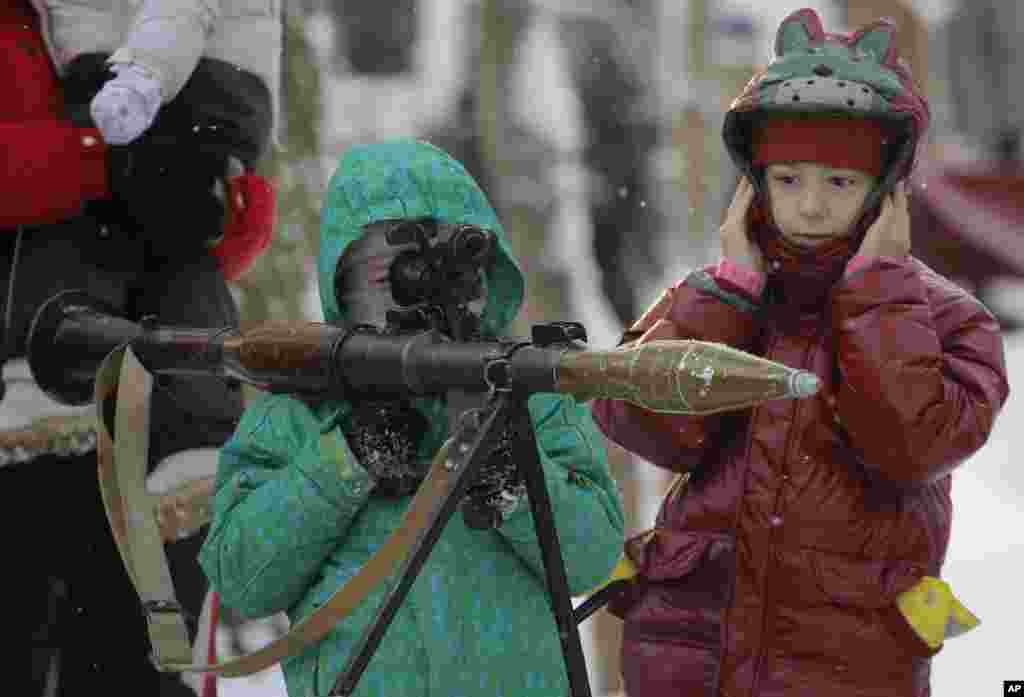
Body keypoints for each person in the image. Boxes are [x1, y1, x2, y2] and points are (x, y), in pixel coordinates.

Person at [591, 8, 1010, 697]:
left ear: (885, 190)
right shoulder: (716, 295)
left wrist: (877, 295)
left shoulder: (949, 323)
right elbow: (642, 420)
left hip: (842, 671)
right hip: (691, 663)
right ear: (755, 183)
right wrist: (731, 294)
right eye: (788, 179)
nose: (811, 206)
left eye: (839, 182)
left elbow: (910, 444)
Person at [198, 138, 626, 697]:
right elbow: (242, 577)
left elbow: (591, 558)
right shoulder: (300, 413)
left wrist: (512, 477)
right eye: (396, 274)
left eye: (454, 266)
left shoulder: (529, 402)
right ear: (343, 289)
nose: (430, 294)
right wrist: (346, 457)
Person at [0, 1, 277, 695]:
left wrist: (221, 192)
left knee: (138, 658)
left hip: (145, 413)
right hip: (24, 396)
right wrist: (104, 162)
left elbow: (220, 231)